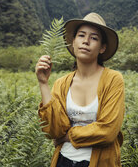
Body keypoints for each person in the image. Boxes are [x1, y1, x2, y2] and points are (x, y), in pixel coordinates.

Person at [35, 12, 125, 167]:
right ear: (73, 42)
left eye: (94, 38)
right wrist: (43, 83)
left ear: (102, 48)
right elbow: (54, 131)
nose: (86, 41)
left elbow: (108, 131)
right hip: (63, 160)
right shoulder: (62, 83)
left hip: (100, 162)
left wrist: (67, 137)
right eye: (81, 36)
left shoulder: (113, 80)